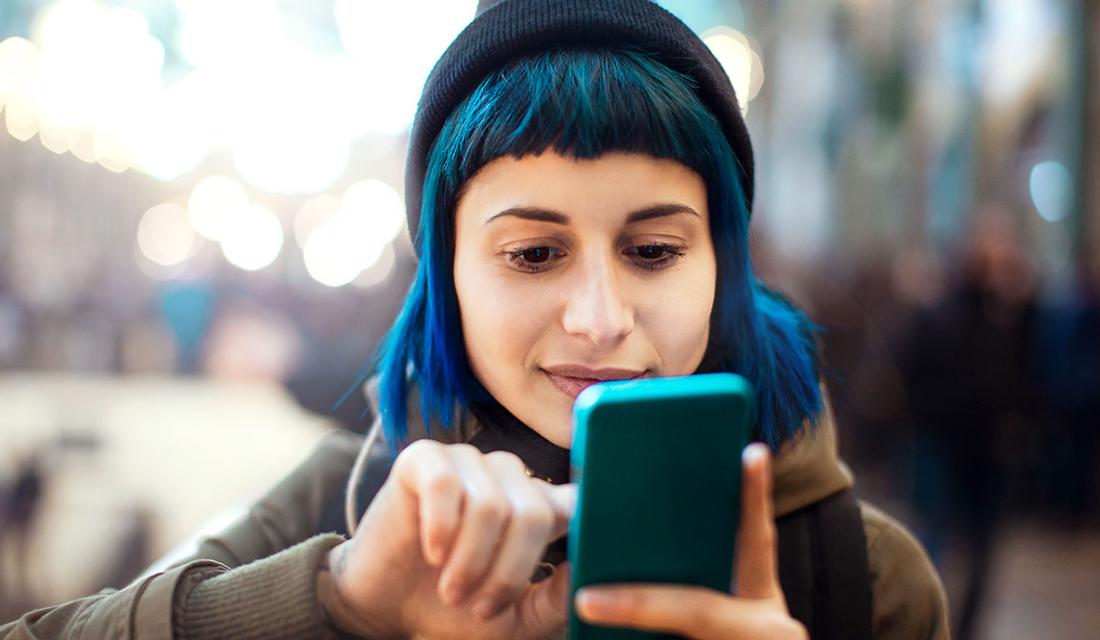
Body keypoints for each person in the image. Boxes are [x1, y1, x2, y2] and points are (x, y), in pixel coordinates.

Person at [0, 1, 948, 638]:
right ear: (446, 276)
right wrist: (342, 603)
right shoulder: (342, 504)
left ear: (722, 268)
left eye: (654, 250)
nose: (599, 318)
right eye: (533, 254)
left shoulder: (861, 571)